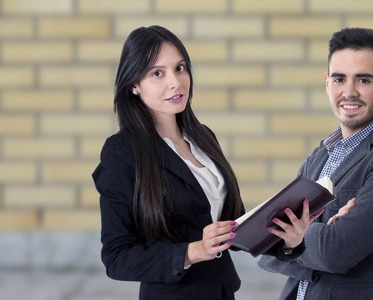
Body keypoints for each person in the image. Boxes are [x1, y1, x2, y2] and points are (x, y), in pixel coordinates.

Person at [92, 25, 317, 300]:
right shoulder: (121, 152)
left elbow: (233, 227)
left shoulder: (202, 137)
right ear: (134, 86)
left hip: (222, 292)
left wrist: (289, 239)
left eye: (180, 68)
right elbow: (116, 258)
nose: (175, 82)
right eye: (157, 73)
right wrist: (194, 250)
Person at [257, 27, 373, 300]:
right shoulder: (318, 158)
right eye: (339, 79)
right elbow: (266, 253)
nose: (349, 92)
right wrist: (319, 234)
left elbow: (336, 252)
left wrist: (299, 237)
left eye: (363, 80)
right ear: (327, 83)